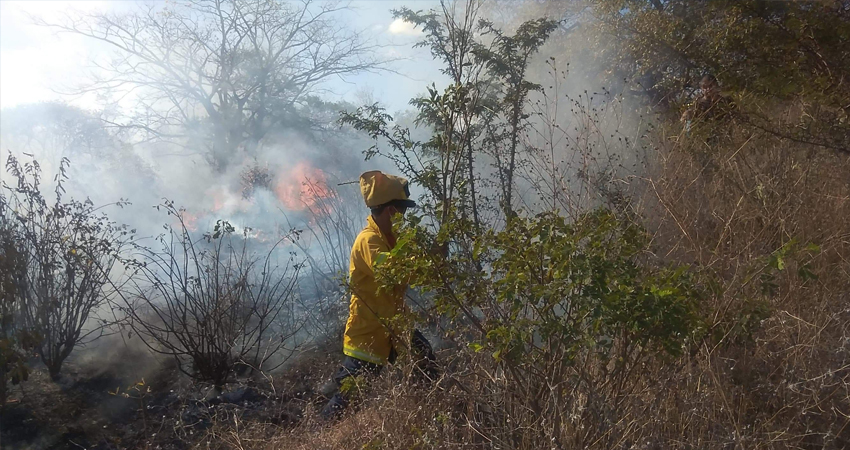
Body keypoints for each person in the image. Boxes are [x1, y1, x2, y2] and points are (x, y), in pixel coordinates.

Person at [320, 170, 436, 420]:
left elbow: (409, 273)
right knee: (350, 397)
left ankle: (430, 417)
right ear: (391, 210)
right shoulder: (368, 240)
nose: (404, 217)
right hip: (370, 334)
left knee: (427, 364)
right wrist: (424, 260)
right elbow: (393, 272)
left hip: (395, 327)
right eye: (402, 211)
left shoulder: (390, 238)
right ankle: (321, 431)